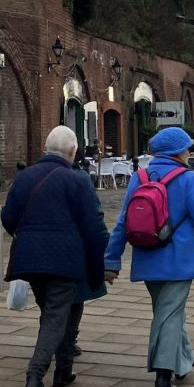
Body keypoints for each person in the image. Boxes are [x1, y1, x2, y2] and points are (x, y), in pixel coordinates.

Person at [104, 127, 194, 387]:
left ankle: (184, 359)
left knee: (168, 311)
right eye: (187, 149)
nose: (189, 153)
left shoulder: (140, 176)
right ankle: (163, 373)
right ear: (178, 152)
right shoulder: (187, 178)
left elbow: (123, 222)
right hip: (179, 260)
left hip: (148, 258)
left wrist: (111, 261)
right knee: (170, 314)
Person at [1, 126, 107, 387]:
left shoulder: (23, 177)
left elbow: (8, 217)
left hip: (29, 259)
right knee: (54, 318)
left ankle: (64, 370)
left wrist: (28, 237)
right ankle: (35, 377)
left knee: (51, 314)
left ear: (45, 149)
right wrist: (100, 267)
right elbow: (93, 228)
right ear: (73, 152)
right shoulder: (76, 180)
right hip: (64, 261)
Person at [69, 151, 110, 358]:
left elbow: (11, 214)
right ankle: (67, 342)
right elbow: (95, 217)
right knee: (75, 297)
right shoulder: (80, 177)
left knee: (50, 300)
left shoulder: (30, 174)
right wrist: (105, 254)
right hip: (75, 248)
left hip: (39, 252)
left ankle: (57, 339)